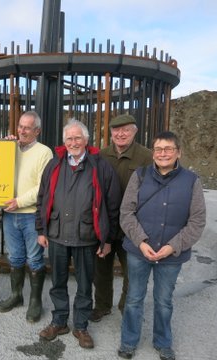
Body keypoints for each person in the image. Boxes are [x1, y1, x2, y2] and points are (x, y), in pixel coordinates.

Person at [117, 131, 206, 360]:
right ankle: (128, 341)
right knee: (134, 298)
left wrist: (172, 246)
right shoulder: (140, 175)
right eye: (158, 149)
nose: (163, 153)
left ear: (178, 152)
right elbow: (126, 213)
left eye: (168, 149)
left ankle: (163, 342)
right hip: (139, 251)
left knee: (164, 301)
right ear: (153, 152)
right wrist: (141, 241)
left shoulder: (191, 181)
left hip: (171, 256)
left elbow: (197, 221)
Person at [36, 119, 121, 349]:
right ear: (64, 141)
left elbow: (112, 206)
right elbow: (42, 198)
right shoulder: (54, 165)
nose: (73, 142)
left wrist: (108, 238)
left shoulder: (100, 167)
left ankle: (81, 326)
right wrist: (41, 230)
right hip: (56, 234)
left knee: (85, 284)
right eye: (69, 138)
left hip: (86, 237)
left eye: (77, 138)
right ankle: (59, 321)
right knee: (58, 283)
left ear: (86, 140)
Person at [91, 114, 152, 321]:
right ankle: (102, 305)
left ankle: (127, 307)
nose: (120, 134)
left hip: (132, 226)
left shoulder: (146, 157)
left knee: (132, 272)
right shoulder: (101, 155)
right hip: (106, 224)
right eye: (116, 130)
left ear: (135, 132)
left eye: (126, 129)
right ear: (110, 133)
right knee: (101, 269)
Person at [0, 111, 53, 323]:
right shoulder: (10, 149)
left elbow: (43, 187)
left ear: (37, 130)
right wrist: (3, 147)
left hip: (30, 215)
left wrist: (19, 201)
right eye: (20, 126)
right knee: (16, 258)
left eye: (27, 128)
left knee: (35, 259)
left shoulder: (44, 153)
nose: (22, 131)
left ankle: (35, 302)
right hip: (10, 216)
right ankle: (16, 295)